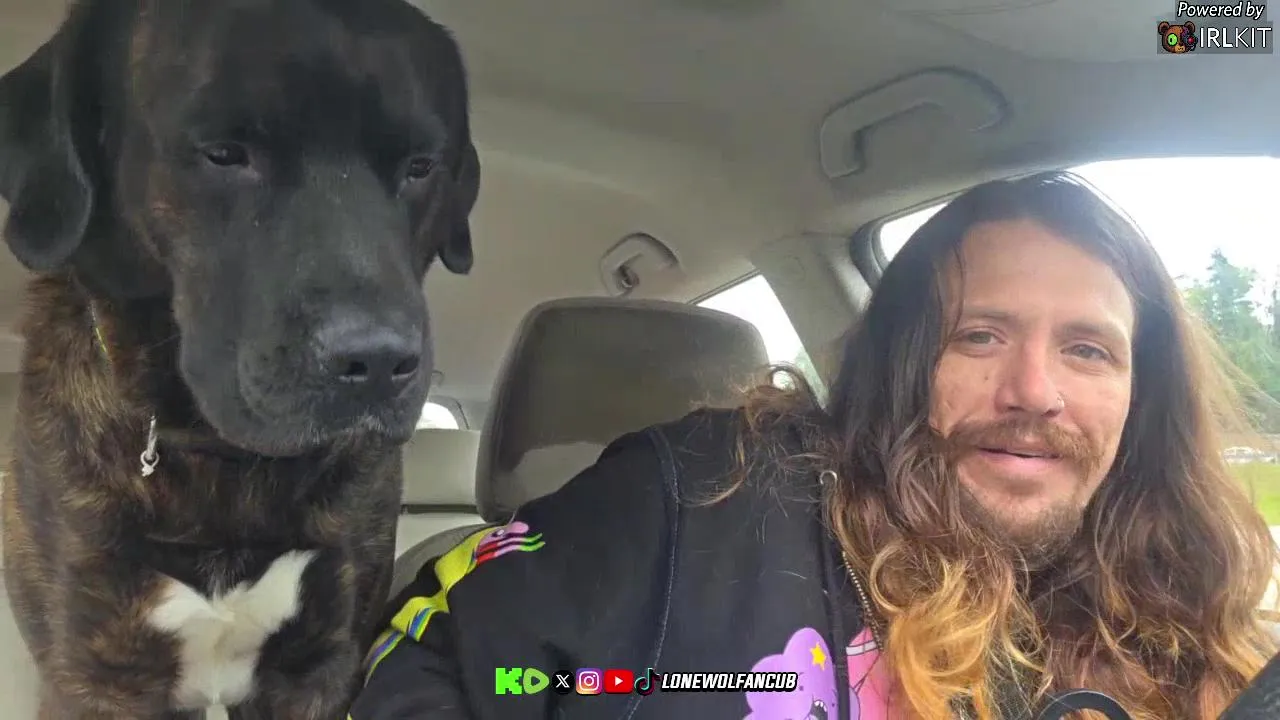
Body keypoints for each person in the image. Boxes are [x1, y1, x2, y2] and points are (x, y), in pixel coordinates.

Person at [346, 171, 1280, 720]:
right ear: (903, 361)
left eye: (1088, 350)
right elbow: (447, 666)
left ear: (1139, 398)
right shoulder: (704, 496)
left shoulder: (1192, 612)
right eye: (979, 336)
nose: (1034, 391)